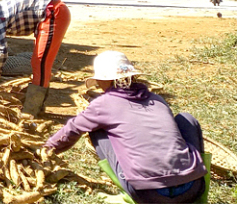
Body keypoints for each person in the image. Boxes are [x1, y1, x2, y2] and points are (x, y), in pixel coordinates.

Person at [45, 51, 207, 204]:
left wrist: (45, 150)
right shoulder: (157, 99)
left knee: (97, 130)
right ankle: (198, 182)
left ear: (106, 80)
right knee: (187, 119)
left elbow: (71, 130)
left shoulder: (102, 104)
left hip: (149, 196)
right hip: (193, 190)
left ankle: (125, 193)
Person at [0, 0, 71, 116]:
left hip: (54, 12)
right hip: (46, 12)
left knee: (40, 62)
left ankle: (31, 111)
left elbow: (0, 53)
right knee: (38, 62)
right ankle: (37, 106)